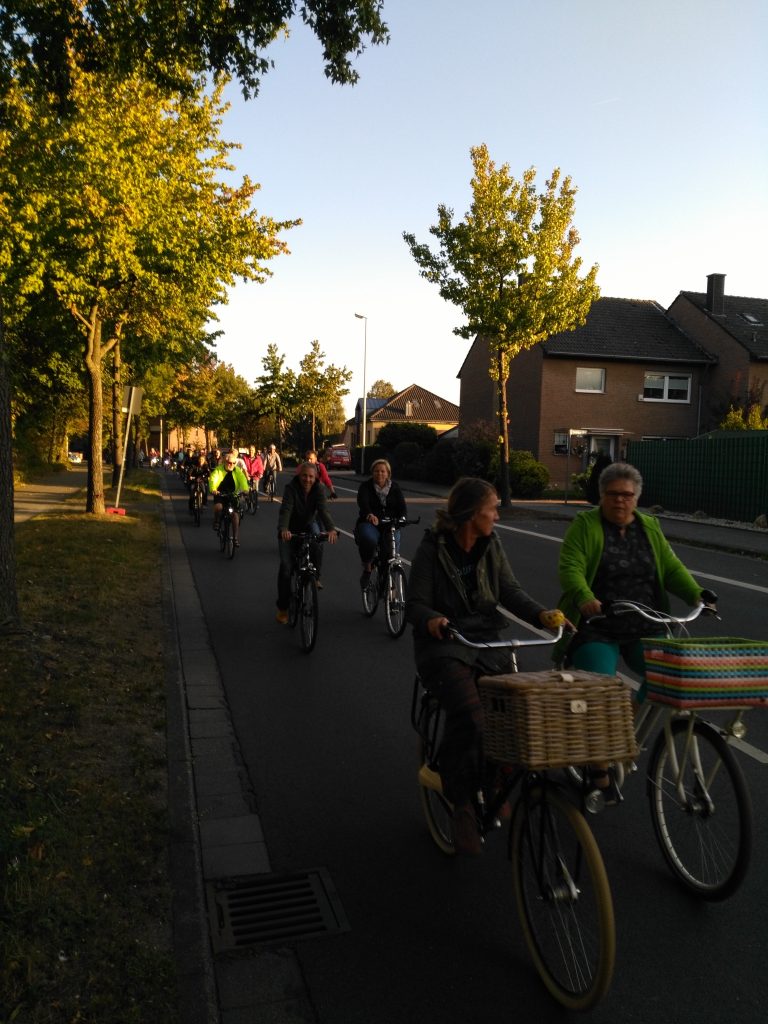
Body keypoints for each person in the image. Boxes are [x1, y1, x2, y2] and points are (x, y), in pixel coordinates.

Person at [405, 477, 566, 855]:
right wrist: (433, 619)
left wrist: (542, 615)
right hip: (444, 645)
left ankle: (493, 777)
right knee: (471, 714)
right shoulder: (433, 547)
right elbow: (414, 604)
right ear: (471, 513)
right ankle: (460, 803)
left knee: (514, 710)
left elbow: (510, 591)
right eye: (492, 508)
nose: (497, 514)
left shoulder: (493, 545)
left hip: (488, 642)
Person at [557, 462, 711, 700]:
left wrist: (697, 594)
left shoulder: (649, 526)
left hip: (644, 623)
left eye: (627, 494)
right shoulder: (585, 525)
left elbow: (671, 568)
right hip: (599, 624)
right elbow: (571, 567)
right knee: (601, 689)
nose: (620, 500)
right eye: (613, 494)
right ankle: (609, 726)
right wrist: (584, 596)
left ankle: (631, 726)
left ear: (636, 498)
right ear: (602, 495)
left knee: (670, 674)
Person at [275, 462, 338, 623]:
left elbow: (323, 510)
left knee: (317, 541)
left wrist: (331, 529)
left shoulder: (318, 489)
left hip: (308, 524)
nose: (307, 479)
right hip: (289, 530)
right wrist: (284, 529)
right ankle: (283, 608)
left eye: (311, 476)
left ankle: (315, 576)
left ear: (315, 477)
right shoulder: (291, 488)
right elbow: (286, 509)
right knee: (286, 569)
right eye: (304, 475)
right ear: (299, 475)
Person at [355, 459, 407, 587]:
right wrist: (369, 514)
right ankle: (367, 569)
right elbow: (363, 502)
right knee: (368, 539)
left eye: (383, 471)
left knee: (390, 554)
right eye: (376, 471)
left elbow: (402, 506)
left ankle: (389, 585)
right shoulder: (366, 486)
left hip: (390, 525)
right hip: (370, 523)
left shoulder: (395, 487)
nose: (380, 474)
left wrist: (403, 518)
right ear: (372, 473)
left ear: (388, 473)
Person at [208, 452, 249, 546]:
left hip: (233, 495)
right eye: (230, 463)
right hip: (220, 494)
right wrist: (213, 489)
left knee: (235, 516)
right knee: (218, 507)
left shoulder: (237, 470)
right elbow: (213, 479)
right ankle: (217, 521)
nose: (232, 465)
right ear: (225, 462)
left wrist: (245, 490)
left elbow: (242, 480)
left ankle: (235, 539)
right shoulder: (218, 470)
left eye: (234, 463)